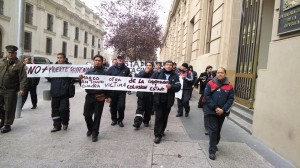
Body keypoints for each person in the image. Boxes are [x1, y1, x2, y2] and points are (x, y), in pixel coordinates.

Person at [203, 67, 234, 160]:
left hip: (222, 112)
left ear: (225, 74)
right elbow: (207, 96)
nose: (220, 74)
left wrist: (223, 109)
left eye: (222, 73)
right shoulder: (210, 83)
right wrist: (216, 108)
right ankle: (212, 151)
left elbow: (231, 99)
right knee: (213, 130)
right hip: (211, 111)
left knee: (218, 130)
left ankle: (215, 143)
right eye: (218, 72)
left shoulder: (229, 85)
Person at [79, 55, 112, 142]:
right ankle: (90, 128)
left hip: (99, 97)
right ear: (94, 61)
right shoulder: (88, 72)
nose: (97, 62)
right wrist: (81, 80)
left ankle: (95, 133)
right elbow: (83, 85)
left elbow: (108, 86)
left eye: (99, 60)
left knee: (97, 116)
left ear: (102, 62)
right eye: (96, 60)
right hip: (89, 96)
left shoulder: (106, 73)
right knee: (87, 115)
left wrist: (108, 96)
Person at [151, 60, 181, 144]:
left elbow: (178, 86)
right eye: (167, 65)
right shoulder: (158, 73)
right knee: (159, 117)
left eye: (170, 65)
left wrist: (171, 86)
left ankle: (161, 130)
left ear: (172, 66)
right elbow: (151, 82)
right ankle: (157, 135)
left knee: (165, 117)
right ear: (164, 66)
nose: (168, 66)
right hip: (158, 99)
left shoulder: (175, 75)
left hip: (168, 100)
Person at [0, 45, 27, 133]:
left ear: (15, 53)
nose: (11, 54)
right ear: (7, 53)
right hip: (0, 88)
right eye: (9, 53)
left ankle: (7, 124)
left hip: (11, 90)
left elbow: (23, 78)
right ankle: (2, 121)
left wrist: (22, 89)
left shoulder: (19, 64)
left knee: (9, 107)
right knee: (1, 106)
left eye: (13, 53)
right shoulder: (1, 61)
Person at [50, 53, 74, 132]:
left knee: (64, 109)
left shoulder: (69, 68)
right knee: (55, 110)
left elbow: (74, 76)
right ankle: (56, 126)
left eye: (60, 58)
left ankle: (65, 123)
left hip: (64, 93)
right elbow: (46, 75)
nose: (59, 59)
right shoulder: (53, 68)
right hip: (55, 92)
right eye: (58, 58)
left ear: (64, 59)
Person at [107, 55, 130, 127]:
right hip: (112, 91)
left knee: (121, 106)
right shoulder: (111, 68)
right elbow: (107, 79)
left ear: (124, 60)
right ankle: (114, 119)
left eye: (121, 58)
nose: (120, 60)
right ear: (117, 60)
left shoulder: (127, 69)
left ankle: (120, 120)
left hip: (121, 92)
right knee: (113, 106)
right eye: (119, 58)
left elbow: (129, 79)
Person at [133, 62, 154, 129]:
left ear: (152, 67)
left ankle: (146, 121)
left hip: (150, 95)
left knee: (148, 109)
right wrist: (145, 72)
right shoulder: (141, 72)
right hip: (141, 94)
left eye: (150, 65)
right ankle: (137, 123)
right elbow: (138, 78)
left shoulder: (155, 73)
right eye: (147, 65)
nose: (148, 66)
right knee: (140, 109)